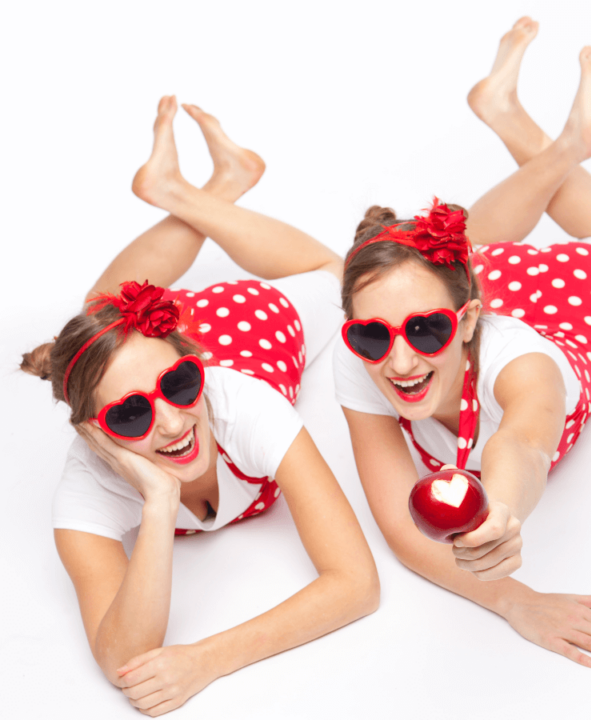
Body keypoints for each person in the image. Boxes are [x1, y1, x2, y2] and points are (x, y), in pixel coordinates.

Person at [21, 96, 379, 716]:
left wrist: (207, 659)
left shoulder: (244, 405)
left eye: (181, 385)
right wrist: (158, 503)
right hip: (142, 355)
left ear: (198, 369)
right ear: (92, 433)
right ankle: (213, 184)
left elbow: (357, 585)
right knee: (97, 321)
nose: (171, 420)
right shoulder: (86, 485)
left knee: (335, 271)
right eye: (129, 415)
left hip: (251, 324)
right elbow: (118, 657)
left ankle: (193, 191)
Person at [334, 18, 591, 669]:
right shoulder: (359, 352)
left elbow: (524, 442)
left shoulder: (522, 361)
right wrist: (512, 600)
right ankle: (516, 117)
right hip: (485, 290)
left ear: (469, 320)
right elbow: (397, 521)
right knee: (451, 245)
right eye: (371, 332)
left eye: (426, 329)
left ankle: (566, 142)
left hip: (587, 300)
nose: (399, 359)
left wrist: (499, 510)